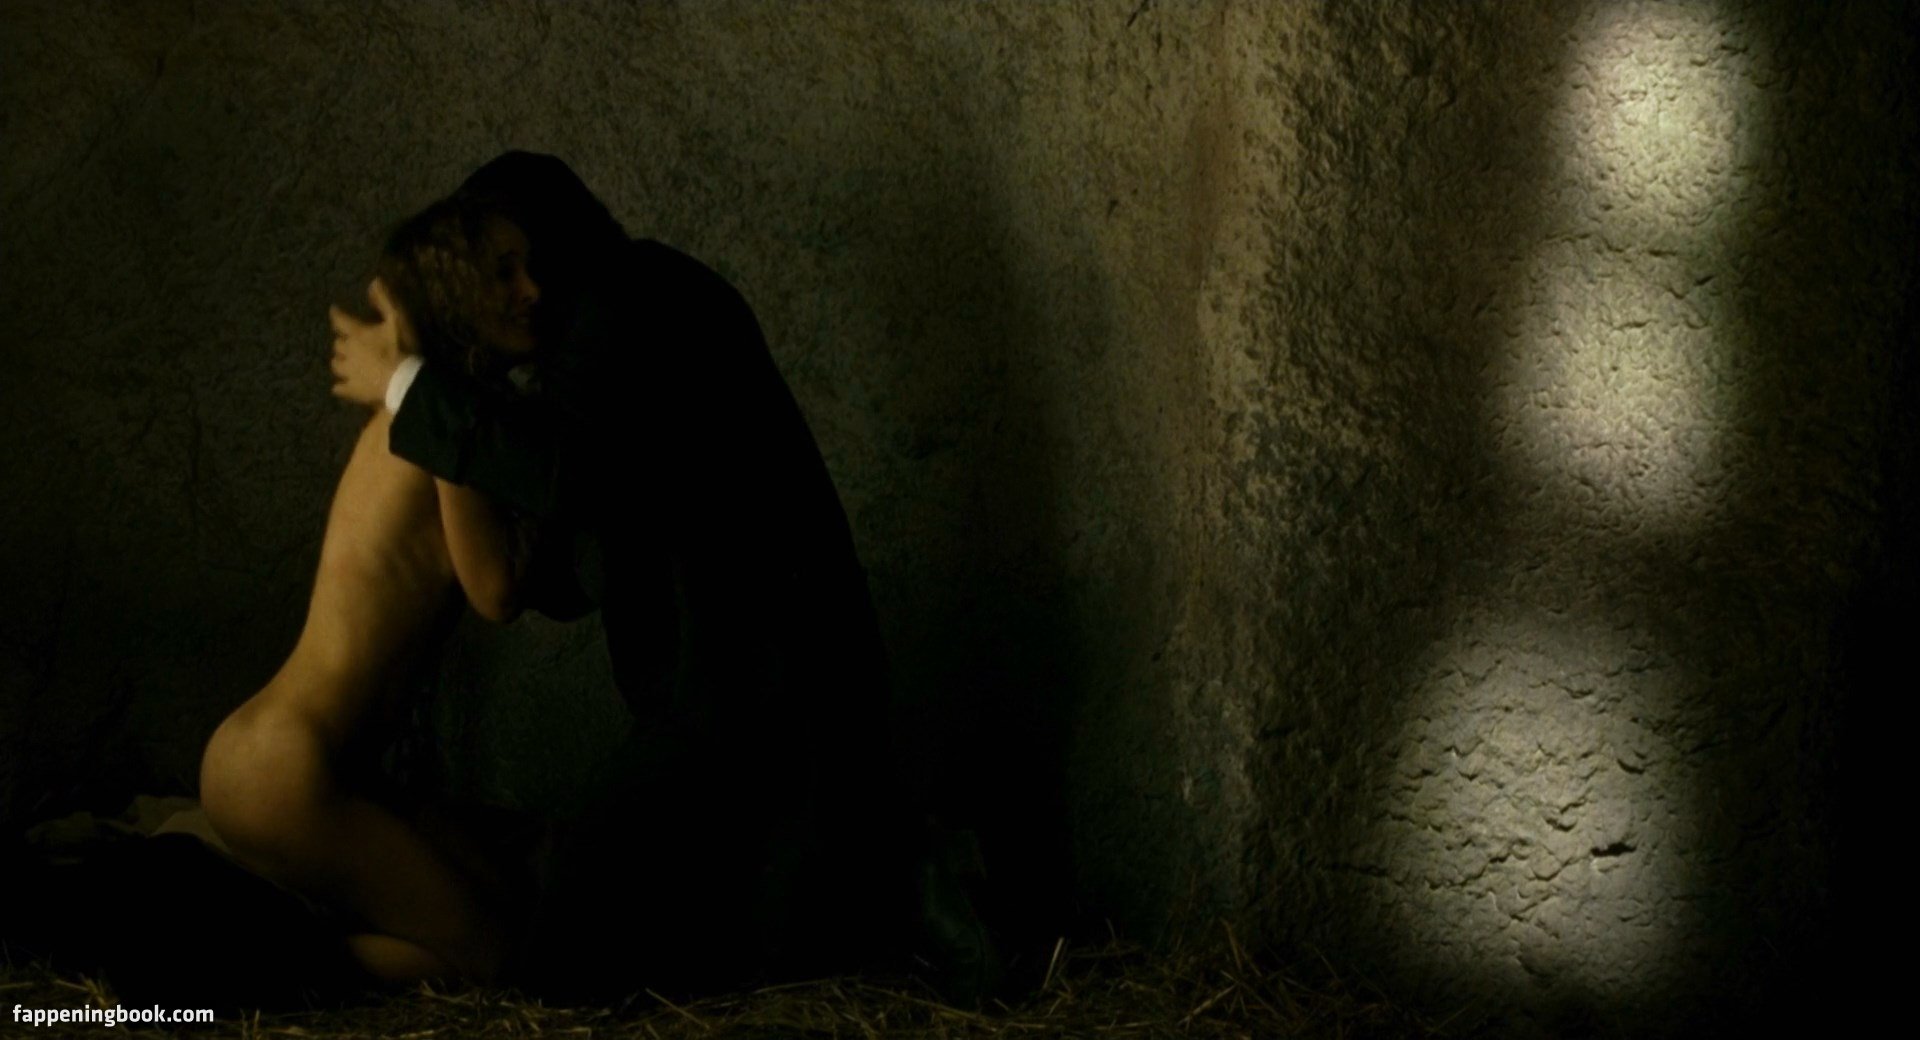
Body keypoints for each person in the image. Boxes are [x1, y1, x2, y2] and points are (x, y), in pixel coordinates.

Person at [329, 156, 915, 996]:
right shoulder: (609, 321)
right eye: (500, 272)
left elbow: (576, 475)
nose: (527, 289)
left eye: (528, 260)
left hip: (753, 684)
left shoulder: (630, 304)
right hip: (740, 687)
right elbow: (591, 536)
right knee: (755, 942)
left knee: (592, 951)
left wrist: (408, 384)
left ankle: (919, 891)